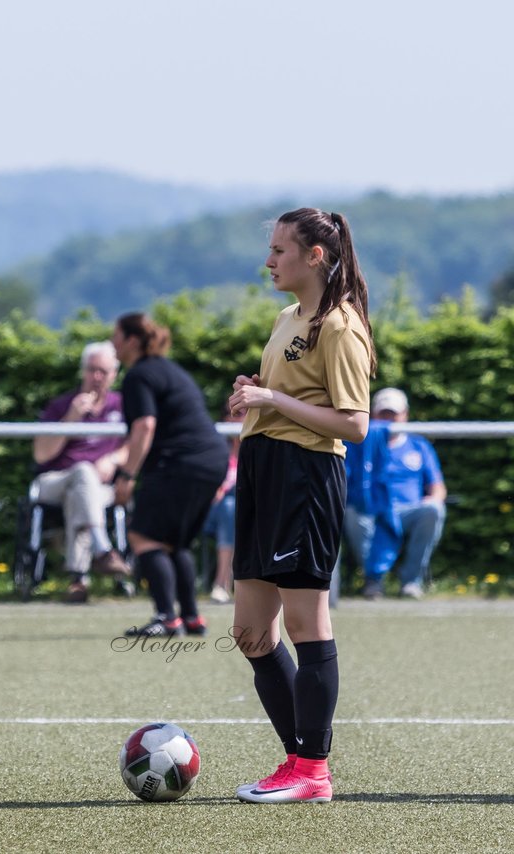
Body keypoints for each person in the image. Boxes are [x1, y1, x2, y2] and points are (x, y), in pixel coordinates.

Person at [228, 207, 375, 804]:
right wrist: (254, 399)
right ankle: (300, 761)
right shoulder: (288, 316)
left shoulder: (341, 325)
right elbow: (284, 397)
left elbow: (354, 424)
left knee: (305, 623)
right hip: (263, 470)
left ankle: (312, 768)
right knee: (249, 631)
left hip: (306, 477)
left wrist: (272, 399)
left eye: (280, 250)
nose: (269, 260)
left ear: (315, 256)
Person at [111, 313, 228, 638]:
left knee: (143, 537)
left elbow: (144, 425)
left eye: (116, 336)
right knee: (174, 543)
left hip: (182, 463)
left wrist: (127, 476)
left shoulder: (138, 376)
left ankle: (165, 617)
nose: (113, 343)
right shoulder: (170, 369)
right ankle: (191, 618)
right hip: (211, 459)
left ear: (132, 340)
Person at [31, 341, 130, 602]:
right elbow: (41, 454)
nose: (96, 377)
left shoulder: (122, 405)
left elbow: (138, 442)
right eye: (91, 370)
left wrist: (114, 458)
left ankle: (78, 580)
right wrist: (70, 418)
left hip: (98, 489)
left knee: (81, 494)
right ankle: (102, 548)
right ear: (83, 371)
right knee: (83, 472)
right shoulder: (61, 405)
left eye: (103, 371)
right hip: (55, 480)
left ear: (114, 374)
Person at [344, 387, 446, 600]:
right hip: (370, 508)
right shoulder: (358, 444)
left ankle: (411, 581)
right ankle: (373, 581)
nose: (389, 419)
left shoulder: (419, 445)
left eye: (394, 414)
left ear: (405, 414)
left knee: (434, 509)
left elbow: (437, 487)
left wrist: (434, 499)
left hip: (409, 510)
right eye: (384, 413)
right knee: (351, 513)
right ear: (373, 414)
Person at [205, 407, 245, 604]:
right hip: (212, 511)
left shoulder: (256, 449)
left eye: (247, 413)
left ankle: (224, 585)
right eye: (236, 414)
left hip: (246, 512)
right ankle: (222, 583)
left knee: (233, 506)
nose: (241, 419)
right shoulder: (216, 448)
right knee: (229, 507)